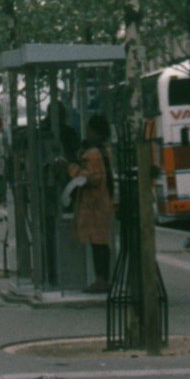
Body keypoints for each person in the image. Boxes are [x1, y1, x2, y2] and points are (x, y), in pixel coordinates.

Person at [68, 115, 116, 292]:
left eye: (89, 129)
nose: (87, 132)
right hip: (103, 201)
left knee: (98, 244)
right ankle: (102, 279)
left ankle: (101, 280)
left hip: (95, 204)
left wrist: (71, 168)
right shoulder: (104, 150)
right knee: (100, 242)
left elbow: (90, 178)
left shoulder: (94, 153)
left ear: (96, 131)